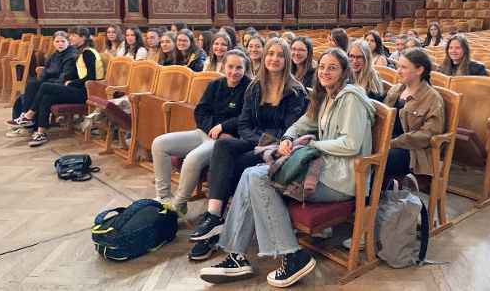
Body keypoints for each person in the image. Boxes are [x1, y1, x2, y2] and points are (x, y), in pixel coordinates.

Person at [199, 47, 375, 287]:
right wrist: (288, 138)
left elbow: (351, 144)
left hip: (341, 179)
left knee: (257, 177)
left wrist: (315, 144)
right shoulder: (327, 96)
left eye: (332, 68)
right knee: (251, 173)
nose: (325, 72)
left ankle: (292, 256)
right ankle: (237, 256)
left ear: (344, 72)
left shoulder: (351, 97)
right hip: (324, 170)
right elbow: (303, 123)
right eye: (322, 67)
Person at [190, 38, 307, 249]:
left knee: (233, 165)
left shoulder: (296, 91)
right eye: (270, 54)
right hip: (255, 142)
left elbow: (289, 130)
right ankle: (214, 215)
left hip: (278, 147)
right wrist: (256, 141)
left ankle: (224, 229)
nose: (274, 58)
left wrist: (262, 142)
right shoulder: (255, 86)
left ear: (287, 59)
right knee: (223, 146)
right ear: (264, 57)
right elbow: (244, 124)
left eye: (280, 55)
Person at [152, 50, 251, 227]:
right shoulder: (215, 84)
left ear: (245, 69)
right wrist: (212, 127)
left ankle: (179, 204)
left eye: (239, 68)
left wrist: (223, 128)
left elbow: (246, 117)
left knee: (192, 158)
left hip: (224, 142)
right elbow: (201, 111)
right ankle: (164, 198)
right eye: (230, 66)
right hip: (204, 132)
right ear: (223, 66)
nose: (233, 72)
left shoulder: (250, 89)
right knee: (159, 143)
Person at [9, 27, 104, 147]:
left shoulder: (88, 53)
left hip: (86, 92)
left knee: (45, 86)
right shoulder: (81, 52)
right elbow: (80, 74)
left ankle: (28, 115)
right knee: (46, 97)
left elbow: (91, 77)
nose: (70, 38)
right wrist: (71, 80)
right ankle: (40, 133)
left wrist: (72, 83)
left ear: (83, 38)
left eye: (73, 35)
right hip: (80, 88)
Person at [383, 48, 445, 179]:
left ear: (419, 70)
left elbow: (428, 134)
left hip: (412, 151)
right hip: (388, 142)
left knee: (375, 159)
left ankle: (376, 193)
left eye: (403, 67)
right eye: (398, 66)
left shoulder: (432, 98)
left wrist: (393, 142)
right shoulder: (396, 90)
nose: (398, 71)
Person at [6, 31, 78, 138]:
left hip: (61, 86)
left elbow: (64, 77)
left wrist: (44, 83)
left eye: (63, 41)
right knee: (28, 90)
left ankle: (28, 125)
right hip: (49, 83)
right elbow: (45, 72)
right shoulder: (53, 55)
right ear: (53, 42)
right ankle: (25, 121)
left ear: (68, 42)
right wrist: (41, 82)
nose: (60, 44)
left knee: (39, 93)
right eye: (57, 41)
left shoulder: (71, 56)